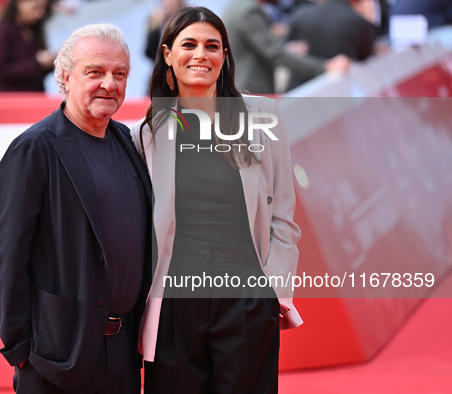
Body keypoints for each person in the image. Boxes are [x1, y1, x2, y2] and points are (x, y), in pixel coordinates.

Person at [131, 6, 302, 393]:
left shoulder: (263, 115)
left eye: (212, 46)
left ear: (225, 56)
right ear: (168, 54)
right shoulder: (148, 132)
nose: (200, 55)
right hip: (174, 304)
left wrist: (271, 291)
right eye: (188, 44)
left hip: (245, 298)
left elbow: (284, 218)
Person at [0, 23, 153, 393]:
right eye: (95, 72)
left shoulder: (128, 142)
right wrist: (21, 351)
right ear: (64, 76)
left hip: (124, 354)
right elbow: (7, 259)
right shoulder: (34, 149)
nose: (109, 84)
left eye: (120, 74)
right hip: (57, 358)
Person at [223, 0, 350, 94]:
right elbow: (276, 55)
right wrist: (325, 66)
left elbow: (261, 49)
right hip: (251, 94)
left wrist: (285, 48)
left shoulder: (238, 6)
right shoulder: (248, 11)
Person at [285, 0, 376, 90]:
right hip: (338, 92)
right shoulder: (358, 21)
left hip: (298, 91)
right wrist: (370, 23)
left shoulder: (302, 15)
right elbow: (367, 55)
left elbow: (286, 50)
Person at [0, 0, 55, 92]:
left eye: (44, 9)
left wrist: (51, 63)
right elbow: (1, 71)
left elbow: (37, 72)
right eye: (36, 7)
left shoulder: (34, 30)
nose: (40, 13)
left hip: (35, 97)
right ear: (19, 3)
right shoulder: (3, 30)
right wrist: (37, 63)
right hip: (11, 99)